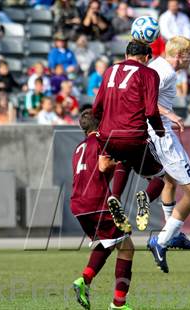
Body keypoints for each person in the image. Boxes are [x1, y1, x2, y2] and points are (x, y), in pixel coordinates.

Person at [92, 40, 166, 234]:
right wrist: (159, 130)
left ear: (126, 56)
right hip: (133, 135)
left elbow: (96, 107)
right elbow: (151, 111)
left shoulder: (110, 71)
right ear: (147, 58)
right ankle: (145, 198)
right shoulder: (149, 73)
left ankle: (115, 196)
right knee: (159, 177)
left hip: (108, 136)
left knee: (123, 159)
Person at [147, 36, 190, 273]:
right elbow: (144, 100)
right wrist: (170, 115)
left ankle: (174, 234)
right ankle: (161, 240)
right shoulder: (167, 72)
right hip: (162, 135)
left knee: (169, 181)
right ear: (179, 55)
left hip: (152, 133)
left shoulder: (157, 65)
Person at [70, 109, 135, 310]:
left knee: (109, 242)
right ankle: (118, 304)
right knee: (127, 247)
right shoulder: (102, 140)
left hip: (79, 204)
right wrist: (124, 162)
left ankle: (85, 280)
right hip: (97, 202)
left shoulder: (79, 147)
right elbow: (103, 164)